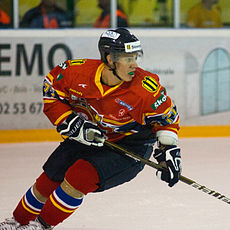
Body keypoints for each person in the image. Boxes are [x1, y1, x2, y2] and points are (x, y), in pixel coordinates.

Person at [0, 28, 182, 230]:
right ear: (109, 59)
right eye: (127, 58)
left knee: (80, 176)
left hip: (130, 145)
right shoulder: (76, 72)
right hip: (88, 135)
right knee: (52, 174)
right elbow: (51, 89)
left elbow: (167, 118)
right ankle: (17, 221)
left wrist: (169, 151)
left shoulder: (145, 90)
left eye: (135, 57)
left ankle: (41, 226)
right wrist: (70, 122)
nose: (134, 64)